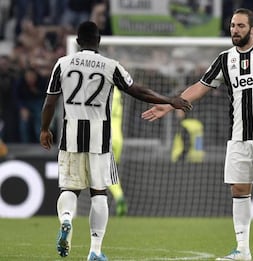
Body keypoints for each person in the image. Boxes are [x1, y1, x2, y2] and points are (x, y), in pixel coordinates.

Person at [142, 8, 253, 261]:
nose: (234, 30)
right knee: (238, 189)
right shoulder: (224, 59)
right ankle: (242, 250)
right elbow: (200, 86)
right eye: (232, 26)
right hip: (238, 136)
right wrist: (169, 104)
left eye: (240, 26)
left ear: (252, 29)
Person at [40, 21, 191, 261]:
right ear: (99, 41)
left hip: (70, 136)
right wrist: (169, 100)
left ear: (77, 42)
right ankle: (95, 251)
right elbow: (138, 91)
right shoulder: (110, 66)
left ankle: (67, 219)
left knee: (69, 188)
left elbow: (50, 102)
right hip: (99, 137)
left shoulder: (63, 63)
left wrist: (45, 129)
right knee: (99, 193)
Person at [109, 87, 127, 216]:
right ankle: (119, 195)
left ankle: (118, 195)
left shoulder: (104, 88)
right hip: (118, 138)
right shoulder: (118, 92)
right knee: (110, 172)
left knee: (99, 172)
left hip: (105, 136)